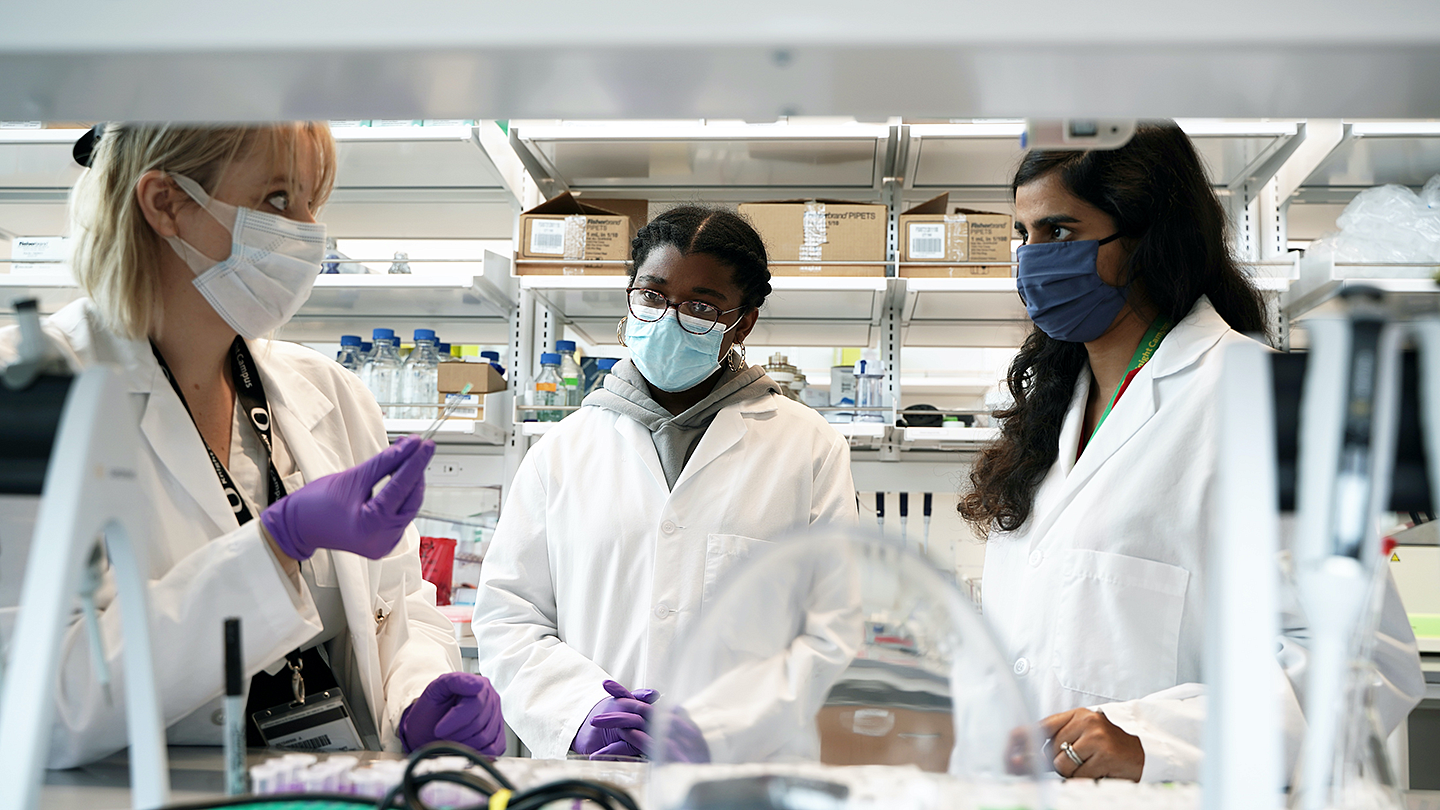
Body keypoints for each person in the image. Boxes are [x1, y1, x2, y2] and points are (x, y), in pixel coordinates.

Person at [0, 122, 503, 766]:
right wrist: (273, 546)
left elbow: (397, 602)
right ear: (166, 204)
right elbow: (39, 699)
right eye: (277, 200)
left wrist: (417, 698)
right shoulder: (35, 389)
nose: (309, 233)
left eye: (313, 203)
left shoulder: (332, 395)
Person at [959, 122, 1423, 783]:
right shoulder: (1050, 411)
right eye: (1023, 236)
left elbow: (1370, 664)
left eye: (1058, 233)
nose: (1031, 259)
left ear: (1146, 238)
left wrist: (1151, 739)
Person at [472, 206, 859, 760]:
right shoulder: (561, 450)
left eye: (700, 306)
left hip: (743, 777)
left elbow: (833, 633)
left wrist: (720, 729)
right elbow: (510, 615)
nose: (669, 319)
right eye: (652, 295)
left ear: (742, 322)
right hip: (594, 773)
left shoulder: (807, 448)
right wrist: (578, 712)